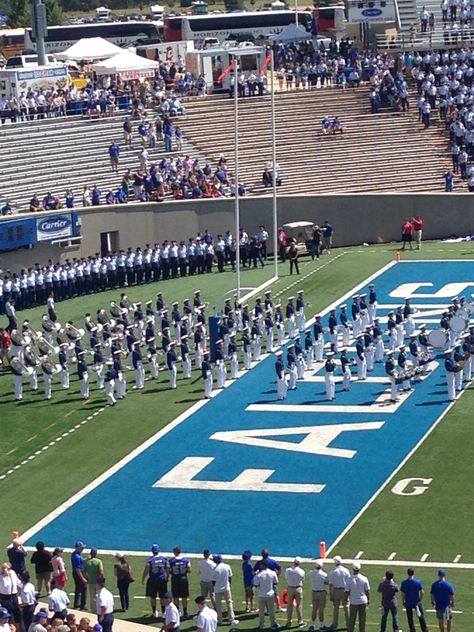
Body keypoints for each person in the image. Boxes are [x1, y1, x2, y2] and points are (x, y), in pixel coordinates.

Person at [142, 543, 169, 618]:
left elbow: (146, 570)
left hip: (153, 580)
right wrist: (167, 577)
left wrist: (143, 579)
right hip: (162, 580)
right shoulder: (164, 559)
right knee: (163, 597)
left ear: (152, 551)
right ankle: (163, 613)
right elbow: (168, 568)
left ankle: (154, 612)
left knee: (153, 597)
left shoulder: (150, 560)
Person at [211, 555, 239, 626]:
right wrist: (229, 584)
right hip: (226, 588)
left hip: (217, 589)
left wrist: (216, 586)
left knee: (218, 605)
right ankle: (231, 619)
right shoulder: (227, 566)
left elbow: (213, 581)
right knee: (229, 603)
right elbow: (230, 577)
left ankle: (219, 620)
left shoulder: (215, 569)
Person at [400, 568, 429, 632]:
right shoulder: (418, 582)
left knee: (410, 618)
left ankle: (412, 630)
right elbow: (422, 592)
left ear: (407, 573)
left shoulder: (404, 583)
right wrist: (419, 599)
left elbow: (402, 594)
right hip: (416, 602)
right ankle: (425, 630)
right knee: (421, 617)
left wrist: (403, 601)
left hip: (408, 602)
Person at [345, 561, 370, 632]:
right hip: (363, 601)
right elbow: (367, 591)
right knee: (362, 620)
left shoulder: (349, 579)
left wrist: (346, 599)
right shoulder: (364, 578)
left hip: (353, 602)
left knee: (352, 620)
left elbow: (347, 591)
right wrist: (368, 600)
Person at [254, 561, 279, 630]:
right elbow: (276, 582)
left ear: (262, 566)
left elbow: (256, 584)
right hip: (270, 594)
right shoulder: (272, 573)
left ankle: (261, 625)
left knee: (261, 612)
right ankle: (273, 624)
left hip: (262, 595)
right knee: (271, 611)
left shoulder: (259, 575)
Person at [327, 555, 350, 631]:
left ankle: (335, 624)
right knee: (346, 608)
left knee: (335, 608)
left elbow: (331, 584)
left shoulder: (332, 572)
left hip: (336, 591)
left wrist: (331, 594)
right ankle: (349, 624)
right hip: (344, 590)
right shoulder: (346, 570)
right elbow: (349, 582)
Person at [169, 547, 191, 617]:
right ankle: (185, 612)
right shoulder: (186, 560)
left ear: (174, 552)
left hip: (175, 579)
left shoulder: (171, 561)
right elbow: (190, 570)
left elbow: (168, 570)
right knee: (184, 596)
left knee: (176, 597)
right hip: (183, 579)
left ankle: (177, 611)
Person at [285, 557, 305, 628]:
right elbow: (302, 580)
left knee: (289, 606)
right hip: (298, 588)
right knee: (299, 606)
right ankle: (300, 621)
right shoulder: (301, 571)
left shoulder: (288, 570)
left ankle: (288, 622)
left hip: (290, 588)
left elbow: (286, 578)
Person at [309, 559, 327, 632]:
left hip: (314, 592)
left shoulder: (311, 573)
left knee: (314, 609)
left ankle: (312, 624)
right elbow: (326, 582)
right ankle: (322, 625)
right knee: (321, 609)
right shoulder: (324, 574)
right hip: (321, 592)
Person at [71, 541, 87, 610]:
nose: (83, 549)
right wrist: (82, 578)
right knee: (82, 589)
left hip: (78, 572)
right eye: (82, 547)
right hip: (78, 573)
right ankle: (81, 605)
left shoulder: (77, 554)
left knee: (79, 589)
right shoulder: (76, 556)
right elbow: (77, 569)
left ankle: (78, 604)